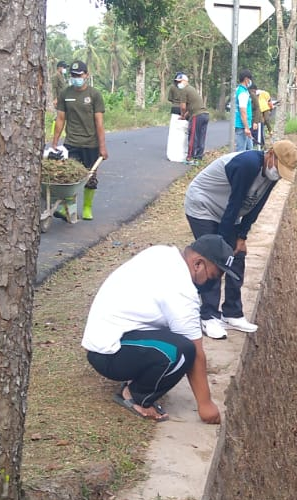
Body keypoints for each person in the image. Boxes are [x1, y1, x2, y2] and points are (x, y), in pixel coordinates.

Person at [80, 235, 238, 424]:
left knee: (177, 343)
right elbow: (196, 352)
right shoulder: (181, 289)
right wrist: (206, 405)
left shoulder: (164, 253)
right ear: (198, 264)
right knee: (182, 351)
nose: (215, 283)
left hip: (107, 340)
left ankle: (139, 377)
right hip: (108, 355)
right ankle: (136, 396)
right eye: (215, 276)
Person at [183, 139, 297, 339]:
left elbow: (257, 205)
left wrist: (242, 236)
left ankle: (232, 312)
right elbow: (234, 204)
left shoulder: (273, 175)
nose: (278, 174)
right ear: (270, 154)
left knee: (238, 255)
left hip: (226, 211)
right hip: (203, 205)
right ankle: (209, 315)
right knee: (214, 259)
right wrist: (226, 242)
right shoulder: (247, 164)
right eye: (278, 168)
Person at [51, 60, 108, 221]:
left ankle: (87, 207)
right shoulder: (65, 94)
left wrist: (102, 147)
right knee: (70, 178)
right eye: (73, 76)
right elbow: (60, 119)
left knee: (90, 177)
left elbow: (99, 123)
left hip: (91, 144)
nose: (76, 78)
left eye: (79, 75)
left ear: (86, 75)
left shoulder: (94, 95)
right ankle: (67, 209)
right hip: (71, 143)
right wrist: (55, 141)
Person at [168, 72, 208, 164]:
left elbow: (183, 107)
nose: (178, 84)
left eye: (180, 81)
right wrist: (185, 116)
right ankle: (198, 157)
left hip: (197, 116)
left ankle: (190, 157)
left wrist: (182, 116)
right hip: (205, 115)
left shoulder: (184, 90)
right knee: (201, 136)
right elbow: (191, 107)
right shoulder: (192, 89)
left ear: (185, 81)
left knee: (193, 136)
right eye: (177, 82)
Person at [233, 70, 255, 151]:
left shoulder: (240, 90)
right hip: (242, 126)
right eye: (250, 79)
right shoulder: (242, 93)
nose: (250, 81)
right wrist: (246, 128)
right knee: (241, 151)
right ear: (246, 79)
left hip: (245, 125)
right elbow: (243, 111)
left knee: (250, 149)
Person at [49, 60, 68, 137]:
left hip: (63, 98)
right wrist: (55, 99)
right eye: (64, 67)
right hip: (58, 99)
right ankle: (53, 131)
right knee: (57, 116)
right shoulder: (55, 76)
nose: (65, 69)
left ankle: (61, 131)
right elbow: (54, 88)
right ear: (59, 67)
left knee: (62, 116)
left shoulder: (62, 76)